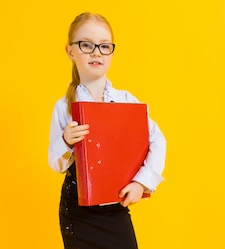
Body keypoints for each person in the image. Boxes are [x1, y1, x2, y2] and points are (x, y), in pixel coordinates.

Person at [47, 12, 167, 249]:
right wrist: (66, 141)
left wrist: (141, 184)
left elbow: (158, 140)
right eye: (86, 45)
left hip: (116, 207)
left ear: (111, 52)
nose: (96, 52)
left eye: (104, 46)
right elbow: (55, 163)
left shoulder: (127, 101)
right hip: (76, 210)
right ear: (70, 51)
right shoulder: (64, 107)